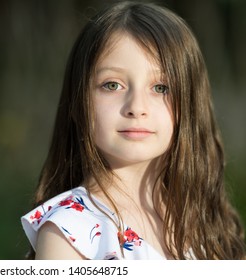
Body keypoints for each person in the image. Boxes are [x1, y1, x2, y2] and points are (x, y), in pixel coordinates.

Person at [21, 1, 246, 260]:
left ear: (191, 103)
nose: (137, 108)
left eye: (161, 87)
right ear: (77, 101)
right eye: (112, 85)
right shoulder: (70, 233)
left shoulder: (201, 221)